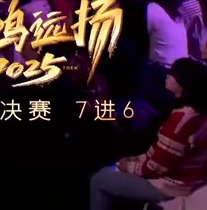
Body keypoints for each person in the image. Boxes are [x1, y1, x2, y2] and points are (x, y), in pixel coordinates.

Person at [89, 57, 207, 207]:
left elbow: (156, 168)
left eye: (172, 74)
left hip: (170, 186)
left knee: (99, 179)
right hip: (180, 181)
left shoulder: (181, 121)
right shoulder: (195, 113)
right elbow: (159, 156)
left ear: (183, 83)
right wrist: (133, 159)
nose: (167, 75)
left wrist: (129, 166)